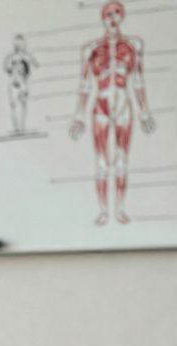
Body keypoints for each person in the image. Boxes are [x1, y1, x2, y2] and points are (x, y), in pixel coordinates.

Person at [69, 0, 156, 226]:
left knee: (121, 161)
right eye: (108, 13)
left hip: (123, 105)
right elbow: (85, 84)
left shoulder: (133, 45)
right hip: (101, 106)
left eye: (117, 12)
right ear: (102, 18)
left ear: (122, 16)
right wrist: (79, 115)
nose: (113, 17)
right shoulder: (91, 49)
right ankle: (102, 211)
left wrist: (144, 110)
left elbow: (137, 80)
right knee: (100, 162)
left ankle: (119, 209)